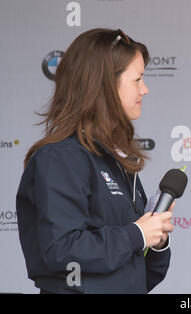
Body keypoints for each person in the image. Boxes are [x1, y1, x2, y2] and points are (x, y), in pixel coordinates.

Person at [16, 28, 174, 294]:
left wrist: (156, 242)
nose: (144, 90)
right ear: (106, 85)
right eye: (137, 80)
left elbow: (138, 277)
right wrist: (136, 234)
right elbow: (60, 251)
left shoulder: (116, 160)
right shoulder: (60, 158)